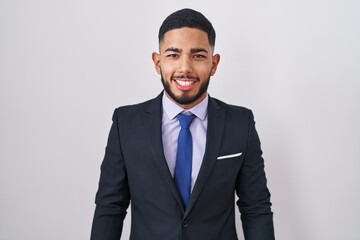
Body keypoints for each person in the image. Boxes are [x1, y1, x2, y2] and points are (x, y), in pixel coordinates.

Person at [91, 8, 275, 240]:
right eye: (173, 55)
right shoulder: (125, 123)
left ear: (214, 63)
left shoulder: (241, 123)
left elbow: (255, 208)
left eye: (198, 55)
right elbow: (110, 208)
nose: (185, 67)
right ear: (157, 63)